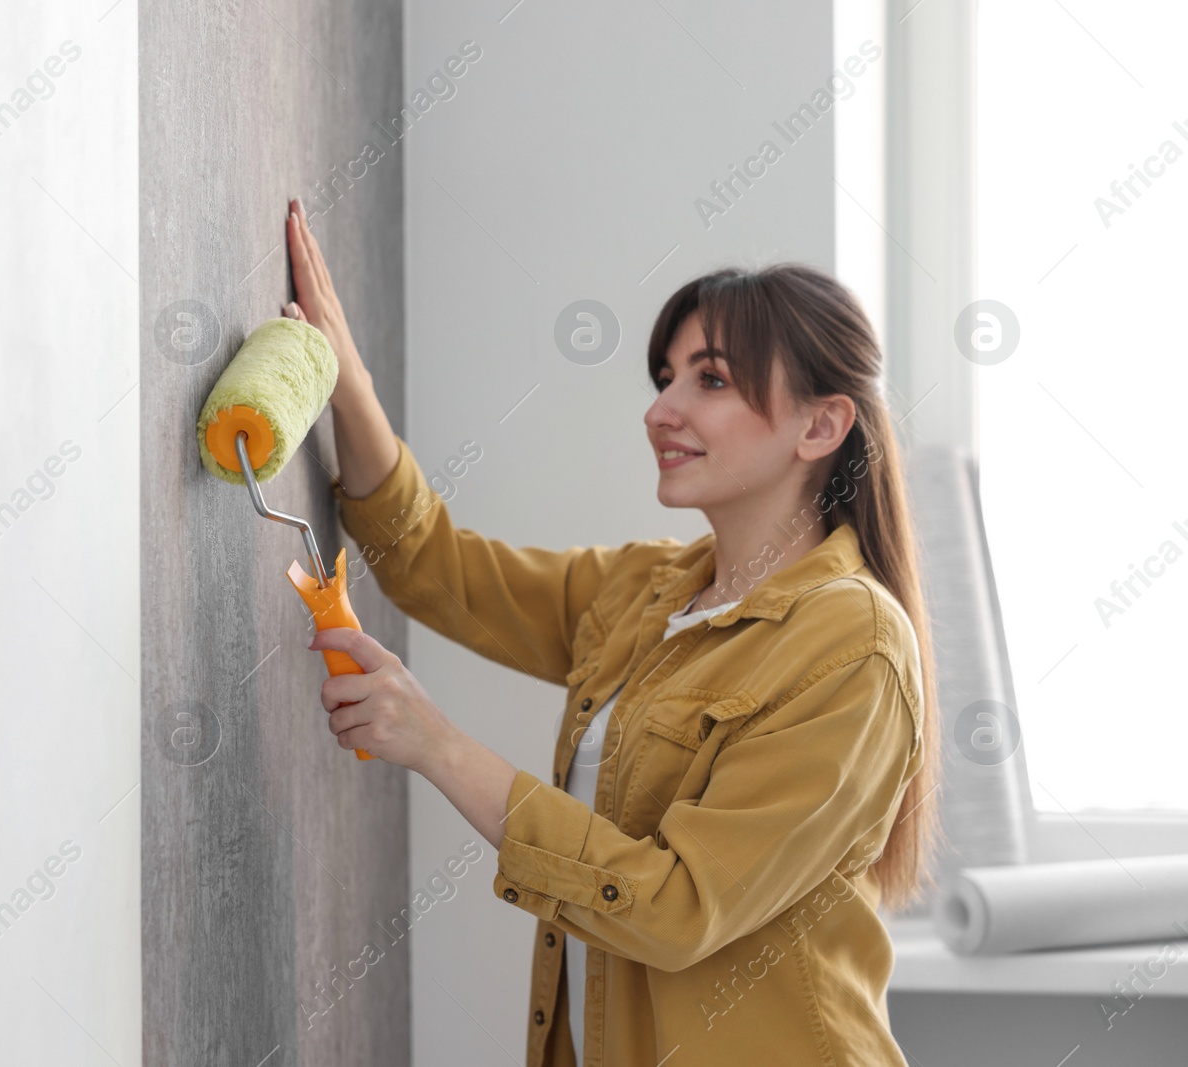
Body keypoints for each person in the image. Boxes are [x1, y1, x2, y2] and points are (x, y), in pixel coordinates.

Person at [281, 196, 942, 1066]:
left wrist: (436, 744)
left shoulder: (853, 647)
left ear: (820, 425)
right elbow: (434, 568)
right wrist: (344, 382)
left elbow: (674, 908)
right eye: (664, 378)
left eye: (709, 379)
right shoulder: (647, 591)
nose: (660, 409)